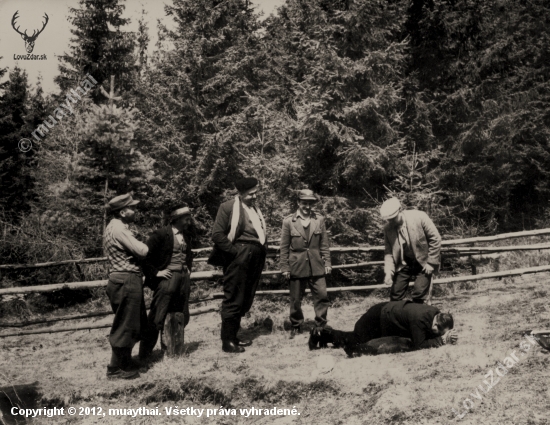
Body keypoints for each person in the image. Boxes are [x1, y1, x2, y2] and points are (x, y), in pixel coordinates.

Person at [208, 177, 267, 353]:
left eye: (256, 192)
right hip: (239, 255)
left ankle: (234, 335)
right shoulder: (227, 207)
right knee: (234, 297)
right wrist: (235, 253)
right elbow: (217, 234)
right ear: (240, 193)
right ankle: (227, 341)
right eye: (251, 193)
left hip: (255, 256)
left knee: (246, 297)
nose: (255, 196)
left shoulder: (254, 209)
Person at [103, 193, 149, 379]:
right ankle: (114, 369)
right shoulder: (119, 229)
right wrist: (144, 244)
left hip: (122, 279)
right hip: (126, 279)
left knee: (132, 323)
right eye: (132, 208)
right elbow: (142, 251)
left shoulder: (114, 227)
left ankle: (126, 362)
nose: (135, 211)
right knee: (125, 324)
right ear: (122, 212)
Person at [139, 206, 194, 361]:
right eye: (186, 218)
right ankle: (144, 355)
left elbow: (189, 255)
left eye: (189, 218)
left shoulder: (187, 235)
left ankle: (173, 349)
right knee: (157, 316)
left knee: (181, 313)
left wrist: (188, 269)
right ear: (175, 219)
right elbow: (145, 257)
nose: (188, 222)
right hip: (168, 279)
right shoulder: (161, 234)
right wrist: (156, 273)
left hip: (183, 279)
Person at [310, 300, 458, 356]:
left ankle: (324, 335)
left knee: (356, 339)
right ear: (436, 324)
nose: (438, 334)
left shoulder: (435, 313)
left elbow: (428, 334)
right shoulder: (419, 319)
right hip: (377, 318)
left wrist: (445, 336)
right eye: (439, 331)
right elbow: (419, 344)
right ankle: (321, 334)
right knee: (355, 340)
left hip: (385, 315)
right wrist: (442, 341)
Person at [280, 189, 332, 338]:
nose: (307, 206)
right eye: (304, 203)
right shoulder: (289, 221)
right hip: (296, 265)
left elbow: (324, 244)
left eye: (310, 203)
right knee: (296, 299)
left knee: (322, 295)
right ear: (298, 203)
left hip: (317, 265)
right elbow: (284, 247)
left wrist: (327, 262)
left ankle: (321, 326)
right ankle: (296, 325)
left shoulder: (319, 220)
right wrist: (284, 267)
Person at [381, 198, 441, 303]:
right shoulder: (388, 228)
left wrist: (431, 262)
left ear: (400, 210)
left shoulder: (419, 217)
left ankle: (416, 317)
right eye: (388, 219)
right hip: (404, 264)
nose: (391, 222)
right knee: (395, 296)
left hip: (424, 262)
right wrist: (389, 273)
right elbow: (388, 253)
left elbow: (435, 239)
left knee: (419, 295)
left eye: (393, 218)